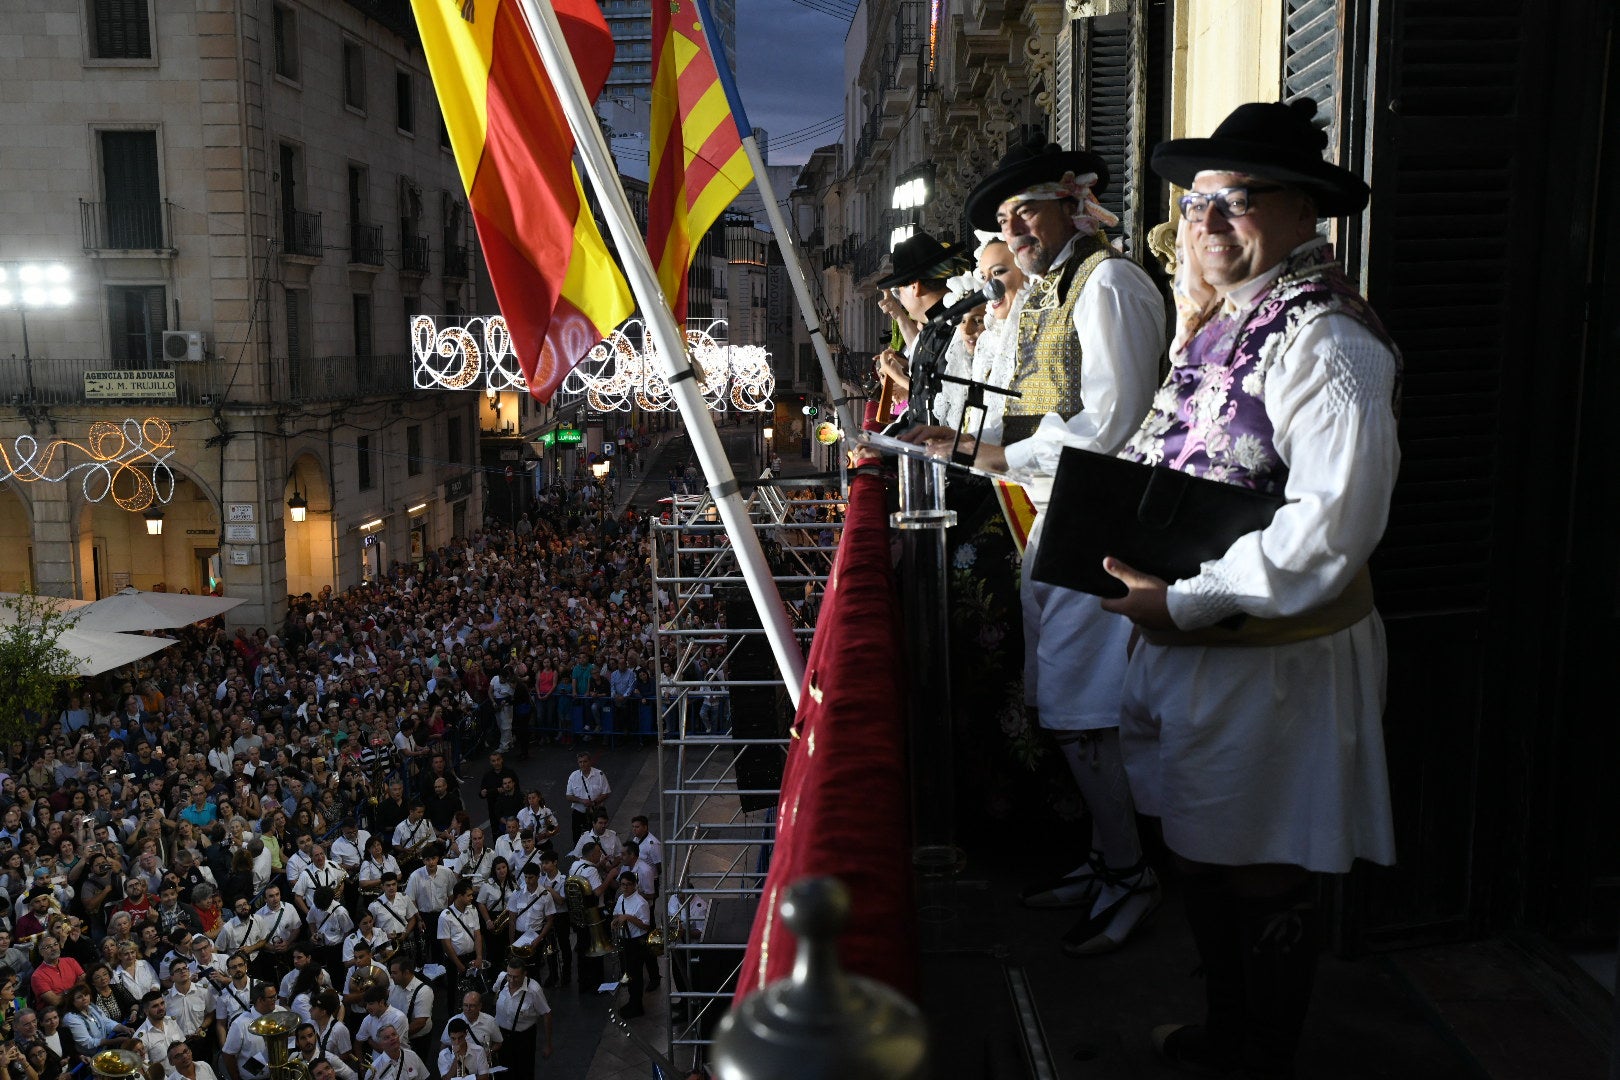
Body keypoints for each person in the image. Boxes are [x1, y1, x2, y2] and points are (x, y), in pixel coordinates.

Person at [1102, 98, 1399, 1078]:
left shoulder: (1328, 346)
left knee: (1262, 869)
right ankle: (1229, 1035)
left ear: (1303, 209)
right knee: (1200, 853)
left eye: (1238, 201)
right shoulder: (1225, 325)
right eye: (1197, 203)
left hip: (1277, 660)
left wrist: (1184, 602)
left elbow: (1329, 530)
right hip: (1199, 645)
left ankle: (1262, 1058)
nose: (1209, 221)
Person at [908, 138, 1168, 954]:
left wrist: (995, 457)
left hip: (1101, 513)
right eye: (1004, 217)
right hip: (1060, 510)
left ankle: (1130, 873)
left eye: (1027, 209)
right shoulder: (1062, 289)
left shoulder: (1110, 284)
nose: (1015, 228)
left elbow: (1115, 419)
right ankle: (1107, 858)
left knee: (1085, 706)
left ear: (1070, 201)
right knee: (1067, 698)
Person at [608, 873, 652, 1019]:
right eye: (622, 884)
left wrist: (629, 918)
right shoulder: (621, 898)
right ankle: (632, 1002)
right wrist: (615, 922)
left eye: (628, 884)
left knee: (636, 975)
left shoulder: (641, 903)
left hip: (636, 942)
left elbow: (646, 925)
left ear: (634, 885)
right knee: (628, 974)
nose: (625, 887)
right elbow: (616, 915)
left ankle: (637, 1006)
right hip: (624, 940)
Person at [492, 958, 551, 1066]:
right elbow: (495, 992)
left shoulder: (534, 989)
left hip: (523, 1039)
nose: (511, 980)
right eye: (509, 975)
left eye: (516, 977)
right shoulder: (502, 978)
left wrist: (548, 1044)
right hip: (501, 1036)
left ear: (524, 974)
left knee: (523, 1071)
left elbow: (546, 1014)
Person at [220, 981, 281, 1080]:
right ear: (260, 1000)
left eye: (275, 996)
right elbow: (228, 1054)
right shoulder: (240, 1024)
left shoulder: (280, 1012)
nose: (275, 999)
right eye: (271, 997)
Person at [563, 753, 609, 842]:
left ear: (590, 762)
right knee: (578, 839)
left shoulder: (599, 774)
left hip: (596, 813)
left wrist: (594, 803)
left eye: (585, 761)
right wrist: (581, 801)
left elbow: (606, 793)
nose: (582, 764)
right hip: (579, 813)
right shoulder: (573, 776)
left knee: (598, 838)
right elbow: (568, 796)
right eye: (580, 762)